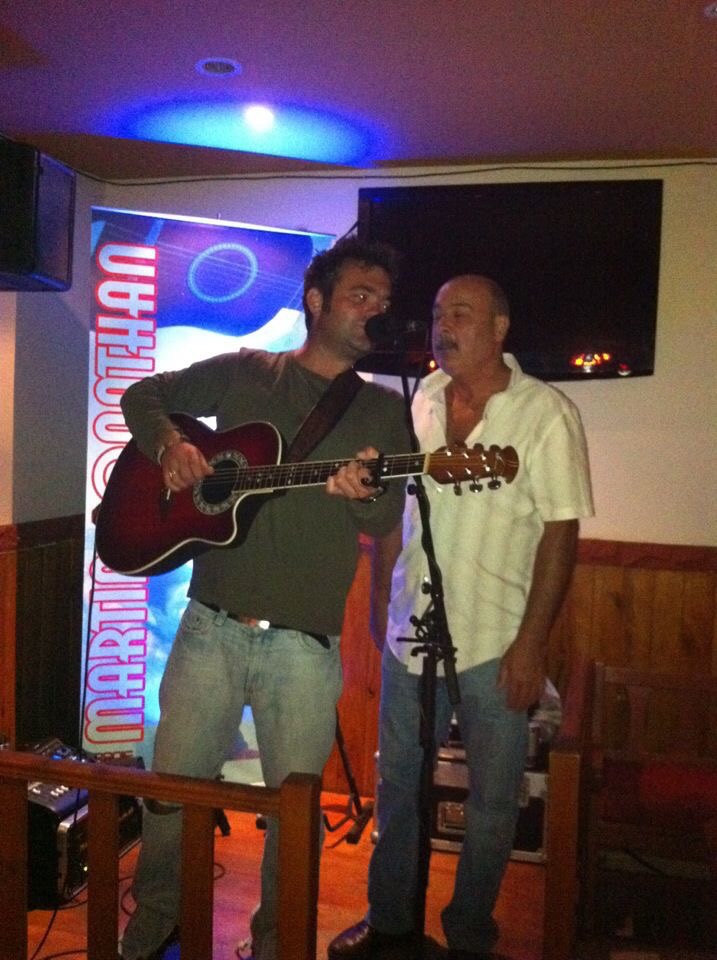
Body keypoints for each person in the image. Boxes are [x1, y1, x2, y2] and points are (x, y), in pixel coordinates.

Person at [117, 236, 411, 960]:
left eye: (382, 300)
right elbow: (142, 394)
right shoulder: (248, 371)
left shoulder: (383, 411)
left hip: (304, 646)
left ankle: (279, 945)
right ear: (316, 301)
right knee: (170, 795)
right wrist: (170, 446)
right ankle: (155, 927)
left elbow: (383, 519)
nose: (375, 310)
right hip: (209, 626)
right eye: (360, 295)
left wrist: (361, 493)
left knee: (293, 814)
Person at [328, 274, 594, 960]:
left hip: (497, 640)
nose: (443, 326)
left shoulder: (545, 413)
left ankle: (470, 937)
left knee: (493, 804)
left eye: (462, 314)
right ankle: (390, 923)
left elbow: (561, 533)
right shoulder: (417, 401)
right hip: (409, 633)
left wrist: (531, 644)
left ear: (500, 328)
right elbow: (395, 510)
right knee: (397, 787)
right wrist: (382, 598)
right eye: (438, 313)